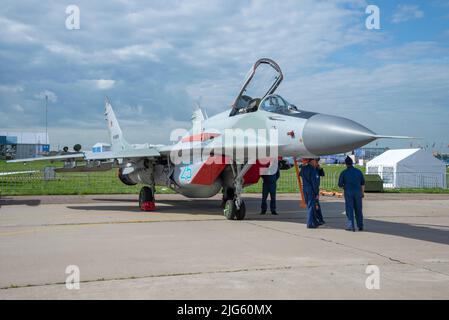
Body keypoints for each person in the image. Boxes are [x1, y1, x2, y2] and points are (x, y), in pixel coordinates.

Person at [338, 156, 365, 232]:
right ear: (352, 163)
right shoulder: (358, 171)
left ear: (346, 164)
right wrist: (362, 193)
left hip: (348, 193)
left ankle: (351, 226)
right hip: (358, 193)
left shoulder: (344, 172)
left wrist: (345, 186)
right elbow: (362, 183)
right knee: (358, 210)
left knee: (349, 209)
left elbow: (340, 184)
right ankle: (360, 226)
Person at [300, 158, 320, 228]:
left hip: (305, 189)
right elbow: (314, 183)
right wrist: (316, 193)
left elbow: (300, 174)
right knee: (311, 207)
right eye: (315, 161)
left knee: (310, 206)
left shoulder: (304, 168)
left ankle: (314, 222)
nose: (316, 162)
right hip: (311, 189)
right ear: (312, 161)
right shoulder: (313, 170)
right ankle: (309, 223)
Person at [310, 158, 325, 225]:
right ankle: (317, 219)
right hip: (312, 190)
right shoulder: (311, 169)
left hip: (316, 189)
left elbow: (322, 174)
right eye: (316, 161)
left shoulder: (317, 169)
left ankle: (320, 219)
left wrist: (320, 168)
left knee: (316, 205)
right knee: (315, 205)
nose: (317, 163)